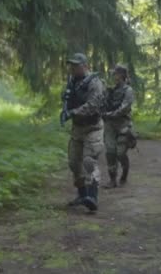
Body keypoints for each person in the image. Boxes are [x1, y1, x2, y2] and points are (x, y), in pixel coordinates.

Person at [62, 53, 105, 212]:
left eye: (76, 65)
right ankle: (82, 194)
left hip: (93, 127)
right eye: (71, 66)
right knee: (74, 163)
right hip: (77, 129)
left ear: (85, 66)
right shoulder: (72, 82)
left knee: (89, 161)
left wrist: (73, 112)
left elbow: (93, 105)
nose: (72, 68)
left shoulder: (95, 83)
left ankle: (93, 197)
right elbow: (68, 100)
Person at [102, 64, 135, 189]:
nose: (113, 76)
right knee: (110, 152)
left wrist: (110, 114)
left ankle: (125, 172)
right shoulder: (111, 90)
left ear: (120, 75)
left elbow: (125, 107)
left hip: (123, 124)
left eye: (115, 73)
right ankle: (112, 179)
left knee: (121, 153)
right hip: (110, 124)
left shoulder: (128, 90)